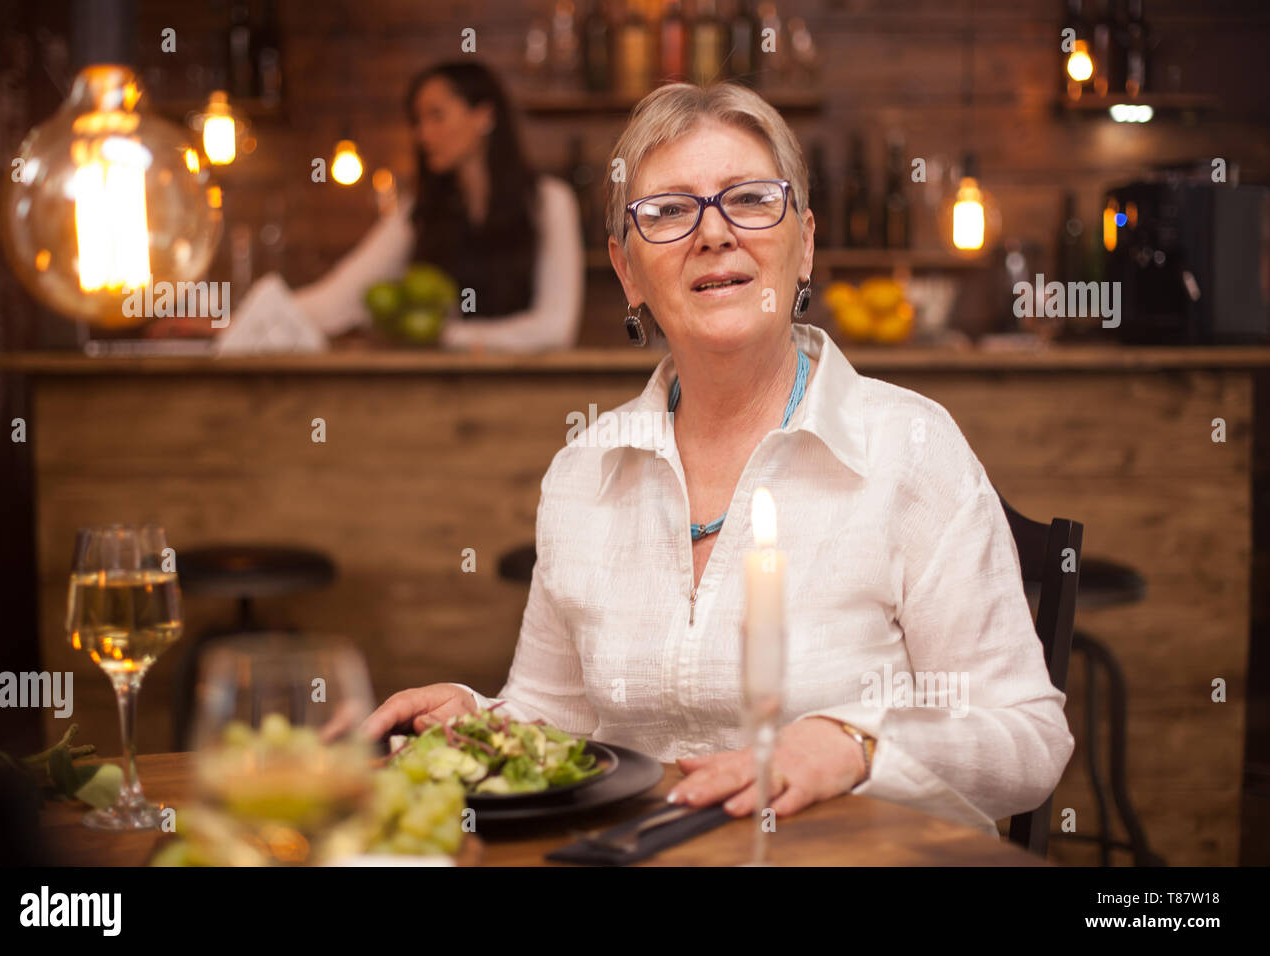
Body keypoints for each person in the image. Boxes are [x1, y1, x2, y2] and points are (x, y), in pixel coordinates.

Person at [363, 82, 1074, 835]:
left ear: (804, 244)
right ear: (628, 272)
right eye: (668, 211)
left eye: (749, 199)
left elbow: (1028, 739)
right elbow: (557, 721)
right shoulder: (583, 473)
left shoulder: (912, 448)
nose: (712, 233)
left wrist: (856, 746)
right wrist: (482, 722)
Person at [225, 60, 584, 351]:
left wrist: (441, 337)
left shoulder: (549, 203)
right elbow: (337, 299)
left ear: (484, 116)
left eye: (437, 116)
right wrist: (234, 322)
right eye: (417, 121)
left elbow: (555, 328)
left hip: (527, 397)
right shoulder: (420, 212)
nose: (422, 135)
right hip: (436, 399)